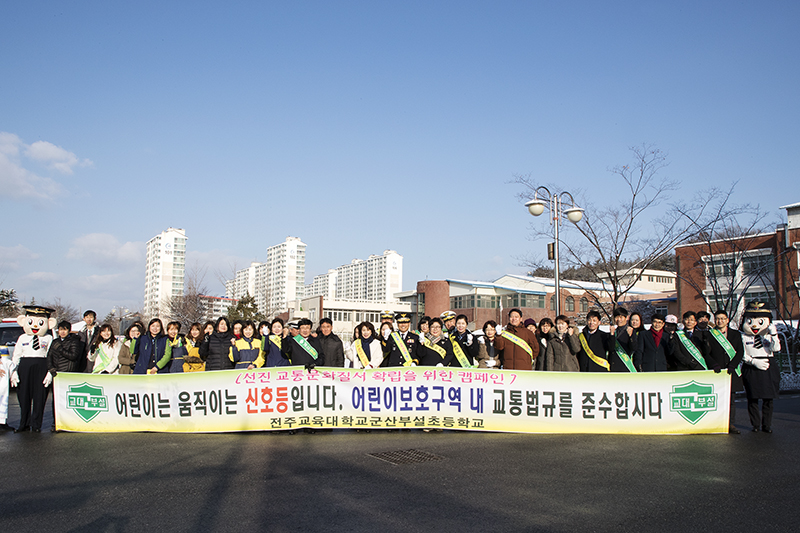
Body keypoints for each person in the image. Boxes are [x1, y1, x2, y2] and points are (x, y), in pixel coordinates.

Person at [11, 305, 57, 432]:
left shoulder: (48, 338)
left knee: (39, 397)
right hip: (25, 367)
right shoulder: (22, 338)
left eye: (40, 322)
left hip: (42, 366)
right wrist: (13, 372)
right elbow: (16, 355)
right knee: (23, 396)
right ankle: (23, 424)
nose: (35, 326)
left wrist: (49, 373)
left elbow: (51, 356)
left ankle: (36, 425)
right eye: (31, 322)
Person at [705, 309, 745, 434]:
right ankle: (717, 423)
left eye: (722, 318)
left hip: (731, 371)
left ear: (727, 320)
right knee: (716, 399)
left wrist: (733, 365)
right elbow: (706, 353)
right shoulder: (710, 334)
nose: (720, 321)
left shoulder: (735, 334)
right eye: (717, 319)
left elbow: (740, 352)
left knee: (731, 400)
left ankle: (730, 423)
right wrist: (714, 364)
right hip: (716, 372)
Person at [46, 320, 85, 431]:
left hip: (67, 375)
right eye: (61, 330)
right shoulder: (54, 342)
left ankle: (68, 423)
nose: (62, 332)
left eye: (65, 330)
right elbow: (49, 357)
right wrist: (51, 368)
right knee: (56, 400)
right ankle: (56, 422)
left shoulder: (74, 341)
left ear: (69, 330)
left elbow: (73, 356)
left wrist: (60, 349)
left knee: (67, 401)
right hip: (56, 375)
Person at [609, 307, 637, 373]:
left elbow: (634, 348)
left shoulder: (630, 330)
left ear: (626, 317)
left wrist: (631, 337)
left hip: (625, 366)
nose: (619, 319)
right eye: (616, 317)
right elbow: (610, 348)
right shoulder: (613, 331)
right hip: (613, 367)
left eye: (621, 317)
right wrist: (611, 335)